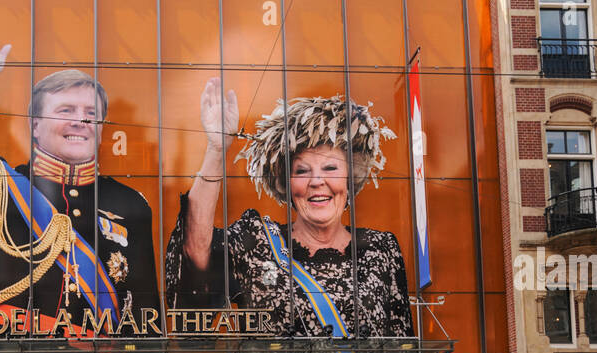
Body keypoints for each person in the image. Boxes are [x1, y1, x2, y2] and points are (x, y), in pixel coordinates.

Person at [0, 6, 160, 338]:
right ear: (35, 125)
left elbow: (144, 312)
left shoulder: (129, 203)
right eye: (66, 110)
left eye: (90, 113)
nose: (80, 121)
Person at [166, 78, 413, 338]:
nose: (317, 181)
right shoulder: (257, 242)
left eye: (330, 168)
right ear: (287, 184)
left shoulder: (380, 249)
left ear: (350, 179)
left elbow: (402, 347)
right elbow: (195, 250)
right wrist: (217, 151)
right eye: (302, 171)